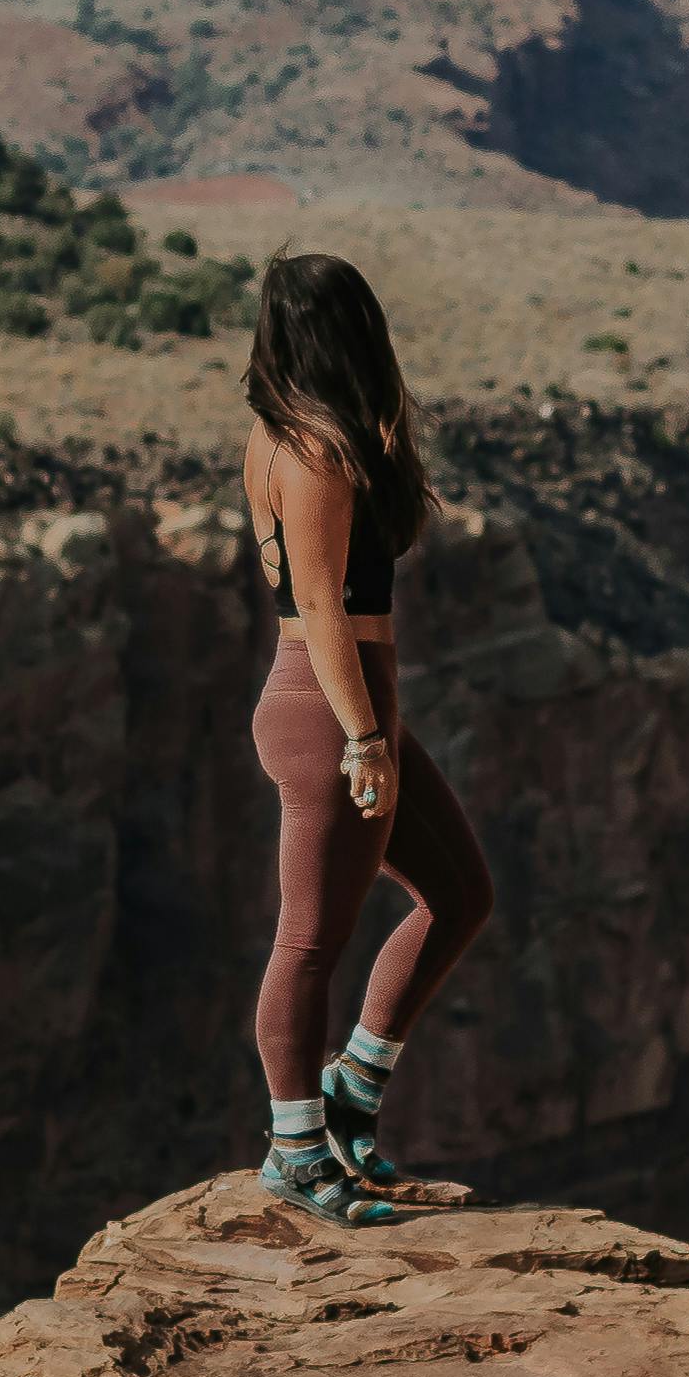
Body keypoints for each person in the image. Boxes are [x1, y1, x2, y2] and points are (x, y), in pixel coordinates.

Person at [242, 248, 494, 1226]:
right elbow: (316, 598)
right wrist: (363, 736)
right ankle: (296, 1149)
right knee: (309, 937)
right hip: (325, 707)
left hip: (349, 704)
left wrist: (374, 724)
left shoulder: (302, 435)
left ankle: (350, 1089)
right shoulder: (310, 449)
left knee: (462, 892)